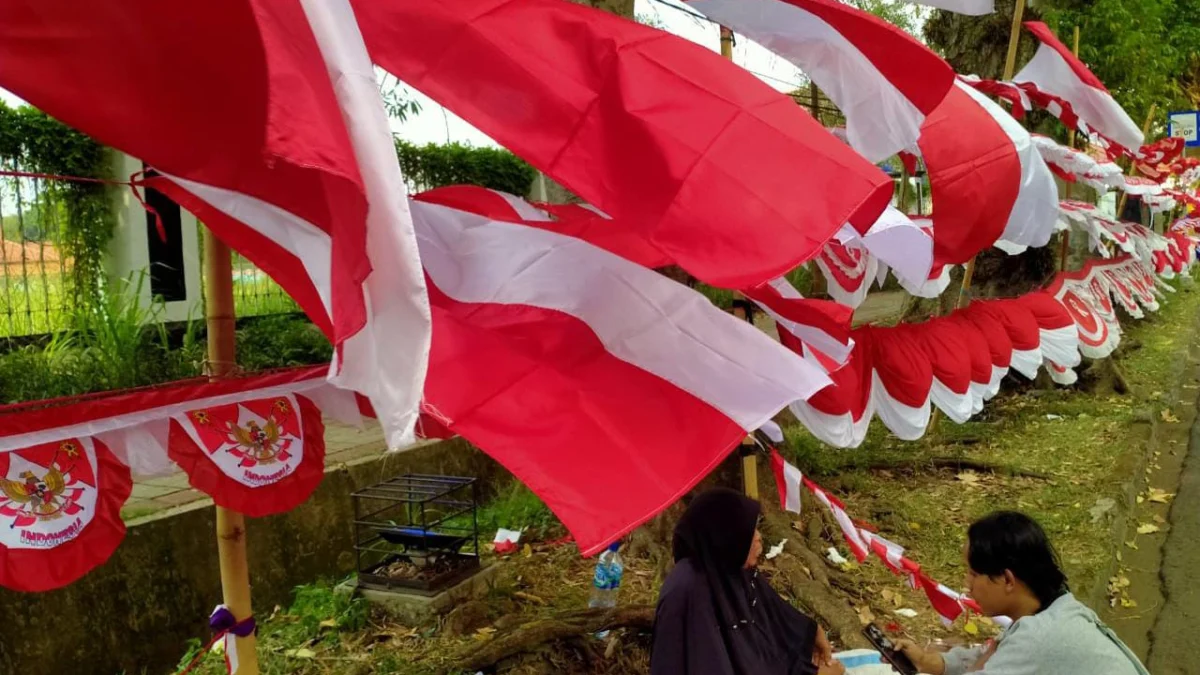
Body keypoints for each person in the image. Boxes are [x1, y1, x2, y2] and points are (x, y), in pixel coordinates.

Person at [896, 511, 1149, 675]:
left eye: (974, 573)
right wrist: (929, 661)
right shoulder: (1056, 608)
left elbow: (997, 660)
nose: (967, 583)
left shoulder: (1039, 638)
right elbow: (996, 655)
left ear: (1007, 579)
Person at [650, 488, 845, 675]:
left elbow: (774, 620)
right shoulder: (687, 593)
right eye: (749, 531)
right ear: (725, 536)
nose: (759, 537)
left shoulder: (729, 569)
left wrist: (812, 632)